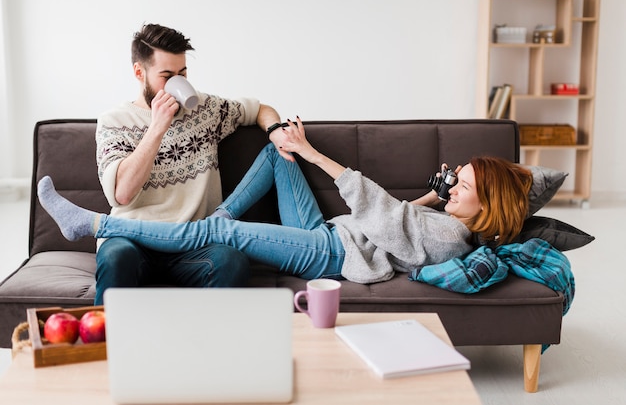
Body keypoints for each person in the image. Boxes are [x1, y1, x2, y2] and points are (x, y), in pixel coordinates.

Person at [38, 117, 534, 285]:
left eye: (462, 187)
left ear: (487, 208)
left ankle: (97, 225)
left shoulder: (451, 240)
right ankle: (221, 214)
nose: (452, 190)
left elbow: (384, 213)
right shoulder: (446, 223)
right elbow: (405, 223)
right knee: (277, 156)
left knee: (222, 234)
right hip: (331, 234)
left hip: (334, 256)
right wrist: (437, 191)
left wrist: (312, 151)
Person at [91, 23, 290, 305]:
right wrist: (157, 128)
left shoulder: (205, 110)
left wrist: (276, 131)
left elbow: (258, 109)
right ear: (139, 72)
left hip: (193, 242)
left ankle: (209, 346)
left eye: (182, 74)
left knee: (230, 261)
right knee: (114, 256)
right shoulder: (114, 122)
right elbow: (121, 194)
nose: (179, 83)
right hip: (134, 240)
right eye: (167, 76)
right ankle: (106, 349)